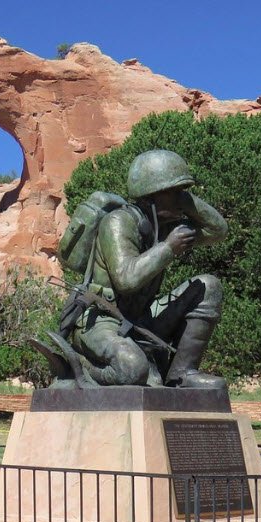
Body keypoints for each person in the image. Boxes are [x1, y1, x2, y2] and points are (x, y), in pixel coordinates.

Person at [70, 149, 228, 388]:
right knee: (133, 370)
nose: (180, 198)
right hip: (101, 320)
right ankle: (82, 367)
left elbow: (218, 231)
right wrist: (168, 247)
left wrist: (187, 201)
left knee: (208, 287)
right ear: (151, 195)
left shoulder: (163, 226)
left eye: (183, 191)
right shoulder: (118, 222)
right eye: (174, 192)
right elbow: (126, 279)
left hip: (141, 318)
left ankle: (182, 374)